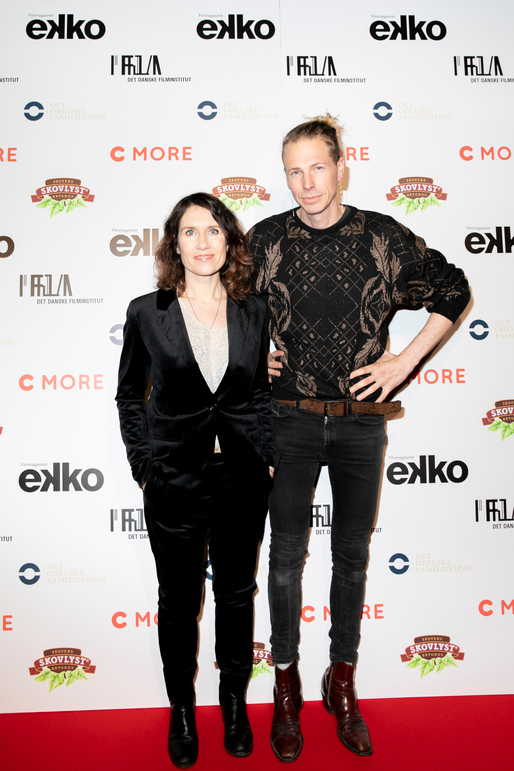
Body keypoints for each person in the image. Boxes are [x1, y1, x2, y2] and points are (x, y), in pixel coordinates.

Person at [247, 115, 470, 761]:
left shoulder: (383, 236)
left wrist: (406, 363)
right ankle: (286, 684)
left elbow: (453, 289)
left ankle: (340, 680)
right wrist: (251, 355)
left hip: (362, 422)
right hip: (288, 419)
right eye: (294, 171)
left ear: (342, 166)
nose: (306, 182)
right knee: (284, 559)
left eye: (318, 167)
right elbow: (224, 309)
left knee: (351, 556)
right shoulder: (264, 240)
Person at [116, 192, 275, 769]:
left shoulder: (254, 310)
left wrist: (266, 453)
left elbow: (259, 393)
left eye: (213, 230)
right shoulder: (146, 312)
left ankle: (234, 705)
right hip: (174, 479)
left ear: (229, 241)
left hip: (241, 477)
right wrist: (145, 466)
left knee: (235, 595)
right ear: (174, 244)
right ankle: (181, 709)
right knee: (179, 601)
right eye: (190, 232)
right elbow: (129, 396)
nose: (203, 243)